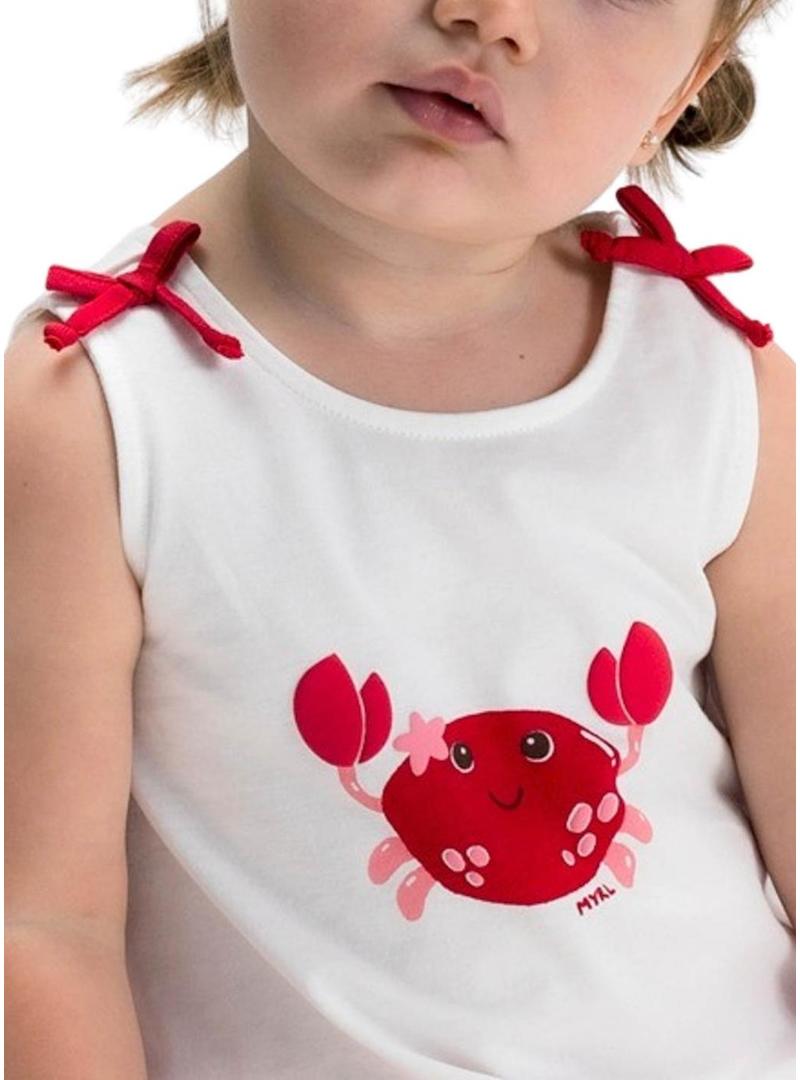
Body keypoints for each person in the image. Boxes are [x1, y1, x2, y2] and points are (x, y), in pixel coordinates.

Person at [5, 1, 795, 1077]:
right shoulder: (95, 408)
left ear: (682, 87)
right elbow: (44, 927)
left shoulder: (714, 381)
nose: (493, 17)